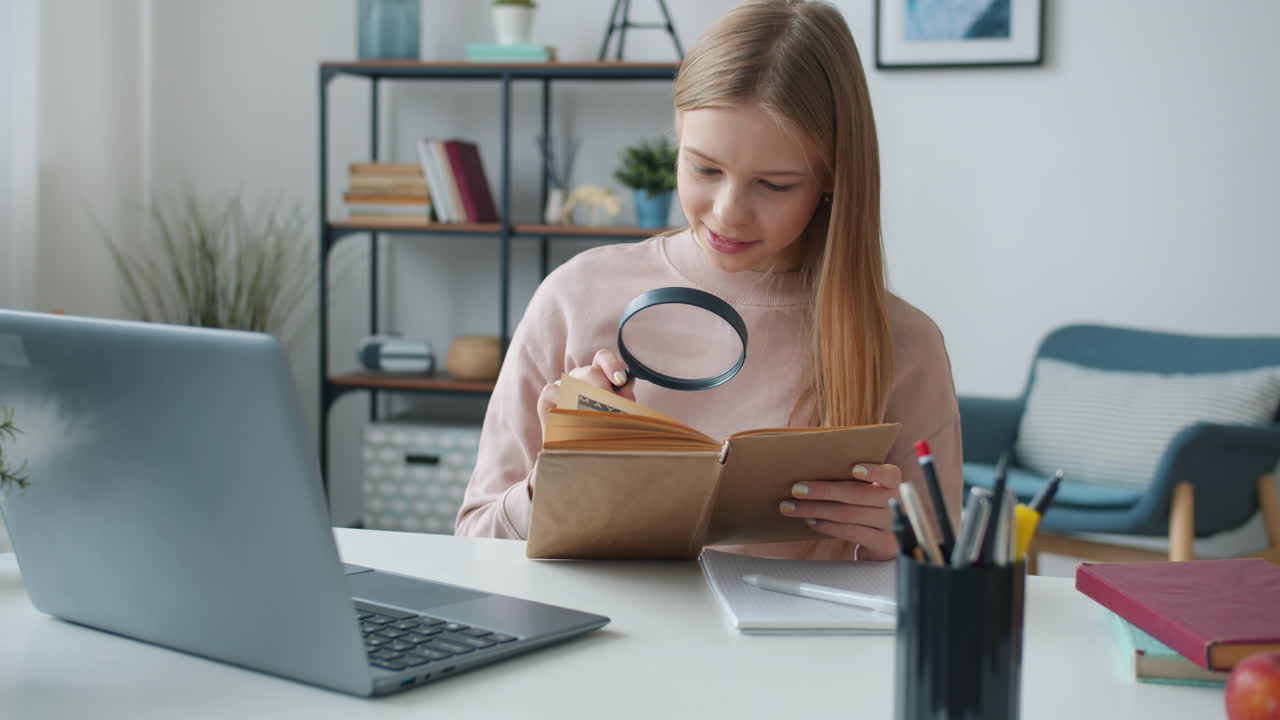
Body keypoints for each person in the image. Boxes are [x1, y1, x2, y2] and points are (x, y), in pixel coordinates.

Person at [455, 0, 961, 561]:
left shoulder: (903, 344)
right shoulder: (574, 296)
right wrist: (551, 484)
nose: (727, 213)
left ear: (831, 180)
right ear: (676, 138)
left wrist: (903, 551)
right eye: (704, 168)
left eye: (773, 184)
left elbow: (947, 587)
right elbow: (474, 545)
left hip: (794, 651)